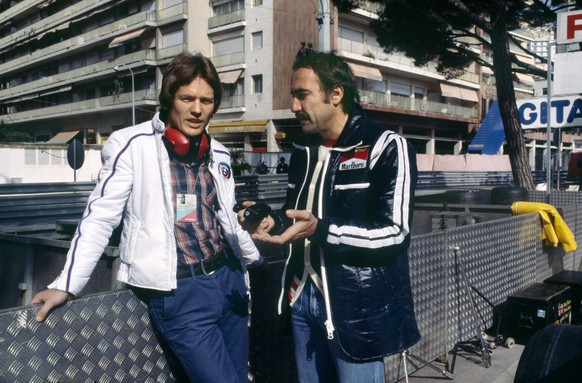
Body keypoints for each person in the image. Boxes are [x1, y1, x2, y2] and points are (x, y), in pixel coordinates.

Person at [31, 52, 266, 383]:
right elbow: (99, 218)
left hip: (228, 281)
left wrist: (255, 260)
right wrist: (67, 284)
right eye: (187, 98)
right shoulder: (131, 145)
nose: (197, 109)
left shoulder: (219, 153)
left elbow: (224, 219)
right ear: (170, 98)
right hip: (180, 292)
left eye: (206, 100)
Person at [239, 51, 420, 382]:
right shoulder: (303, 151)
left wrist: (322, 230)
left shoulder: (387, 146)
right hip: (299, 296)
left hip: (355, 308)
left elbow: (395, 233)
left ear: (335, 94)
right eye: (294, 96)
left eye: (302, 95)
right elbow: (299, 216)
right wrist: (271, 221)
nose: (294, 106)